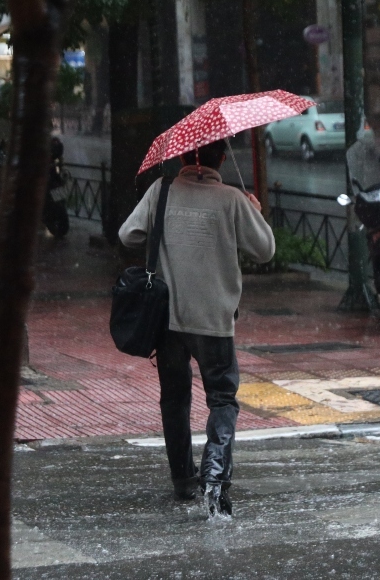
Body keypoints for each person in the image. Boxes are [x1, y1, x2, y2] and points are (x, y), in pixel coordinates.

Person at [118, 139, 275, 518]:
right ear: (221, 157)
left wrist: (163, 233)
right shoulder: (232, 199)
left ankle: (183, 480)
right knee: (222, 397)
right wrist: (253, 210)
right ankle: (216, 474)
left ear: (185, 156)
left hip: (168, 318)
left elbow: (128, 235)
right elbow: (266, 250)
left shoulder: (162, 190)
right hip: (215, 320)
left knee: (175, 399)